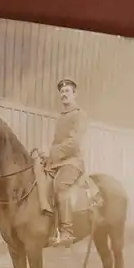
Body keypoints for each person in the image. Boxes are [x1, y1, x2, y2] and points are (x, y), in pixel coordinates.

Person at [43, 78, 88, 247]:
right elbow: (57, 142)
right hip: (57, 162)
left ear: (74, 94)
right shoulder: (61, 117)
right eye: (61, 92)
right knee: (42, 182)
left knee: (60, 185)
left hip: (73, 161)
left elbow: (74, 143)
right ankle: (50, 229)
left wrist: (55, 153)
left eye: (67, 91)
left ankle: (67, 231)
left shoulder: (80, 115)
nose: (63, 94)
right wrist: (48, 157)